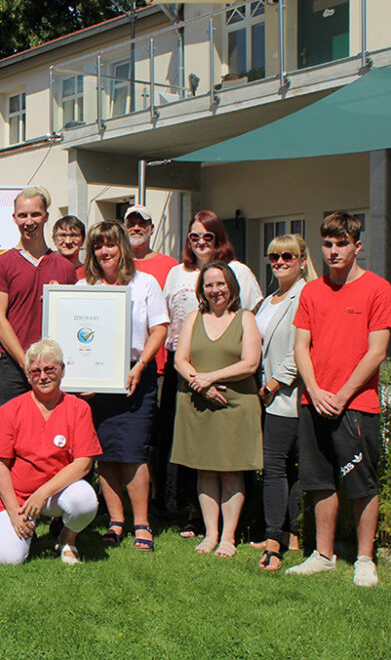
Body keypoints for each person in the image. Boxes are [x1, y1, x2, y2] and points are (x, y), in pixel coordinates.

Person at [287, 212, 391, 587]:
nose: (333, 252)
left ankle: (365, 559)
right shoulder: (311, 291)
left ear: (357, 246)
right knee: (319, 481)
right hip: (314, 402)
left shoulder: (378, 289)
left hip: (356, 405)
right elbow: (301, 346)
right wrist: (316, 391)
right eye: (328, 244)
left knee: (361, 482)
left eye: (342, 244)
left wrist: (343, 394)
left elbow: (377, 351)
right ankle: (323, 555)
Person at [161, 210, 262, 537]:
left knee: (231, 471)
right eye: (209, 285)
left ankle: (229, 536)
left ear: (230, 285)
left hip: (235, 398)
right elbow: (180, 355)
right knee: (203, 468)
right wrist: (199, 383)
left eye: (220, 284)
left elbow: (250, 362)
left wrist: (209, 378)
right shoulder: (191, 310)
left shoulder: (244, 311)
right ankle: (209, 532)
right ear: (201, 290)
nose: (215, 289)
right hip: (197, 393)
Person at [79, 221, 168, 551]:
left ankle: (142, 523)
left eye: (111, 245)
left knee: (133, 453)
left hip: (135, 377)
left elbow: (159, 329)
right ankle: (116, 522)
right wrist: (82, 376)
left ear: (123, 248)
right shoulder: (84, 285)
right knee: (107, 455)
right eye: (99, 246)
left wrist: (141, 364)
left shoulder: (146, 283)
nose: (105, 251)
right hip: (97, 381)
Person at [0, 339, 101, 565]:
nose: (43, 376)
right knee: (8, 559)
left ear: (62, 370)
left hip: (55, 494)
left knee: (85, 499)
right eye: (35, 371)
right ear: (28, 376)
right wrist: (13, 512)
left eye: (50, 369)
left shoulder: (79, 408)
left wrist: (41, 495)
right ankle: (4, 529)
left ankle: (67, 538)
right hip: (17, 496)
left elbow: (84, 463)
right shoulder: (11, 410)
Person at [254, 234, 317, 570]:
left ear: (303, 260)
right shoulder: (271, 298)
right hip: (270, 396)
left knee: (277, 467)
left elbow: (302, 346)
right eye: (273, 257)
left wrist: (276, 383)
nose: (279, 262)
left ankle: (273, 539)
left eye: (287, 256)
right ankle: (290, 534)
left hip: (287, 396)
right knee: (284, 468)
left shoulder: (305, 293)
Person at [0, 187, 77, 407]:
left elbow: (74, 319)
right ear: (14, 218)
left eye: (35, 214)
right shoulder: (1, 264)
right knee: (15, 432)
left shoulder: (64, 267)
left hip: (53, 365)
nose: (29, 221)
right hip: (10, 364)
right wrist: (26, 362)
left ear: (46, 216)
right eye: (23, 215)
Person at [124, 204, 179, 520]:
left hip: (158, 366)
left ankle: (158, 500)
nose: (136, 228)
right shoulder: (114, 264)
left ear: (151, 228)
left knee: (155, 437)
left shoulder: (169, 266)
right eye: (130, 222)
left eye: (141, 223)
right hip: (121, 367)